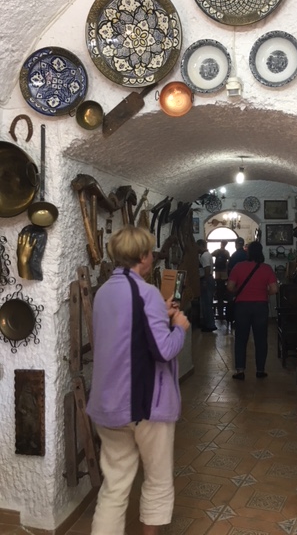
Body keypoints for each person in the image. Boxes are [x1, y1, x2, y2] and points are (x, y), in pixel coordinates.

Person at [87, 225, 190, 535]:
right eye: (150, 252)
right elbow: (163, 350)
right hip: (145, 405)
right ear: (143, 256)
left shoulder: (102, 292)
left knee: (114, 485)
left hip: (107, 404)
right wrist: (180, 327)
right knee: (158, 480)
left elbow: (125, 332)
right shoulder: (147, 293)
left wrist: (160, 312)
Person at [227, 241, 278, 380]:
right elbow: (274, 289)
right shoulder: (266, 268)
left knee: (240, 339)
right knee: (261, 339)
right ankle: (260, 370)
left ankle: (240, 370)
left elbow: (230, 287)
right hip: (260, 307)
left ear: (248, 252)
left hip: (242, 307)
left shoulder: (238, 267)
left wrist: (240, 291)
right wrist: (263, 292)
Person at [196, 238, 216, 332]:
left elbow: (207, 269)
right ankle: (207, 323)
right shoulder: (206, 255)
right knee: (206, 302)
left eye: (197, 246)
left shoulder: (204, 256)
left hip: (206, 279)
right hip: (207, 279)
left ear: (201, 246)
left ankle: (210, 325)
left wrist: (205, 281)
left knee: (206, 303)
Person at [212, 240, 230, 320]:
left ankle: (218, 295)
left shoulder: (217, 251)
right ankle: (222, 295)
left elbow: (211, 254)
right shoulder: (226, 252)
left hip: (218, 271)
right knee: (222, 289)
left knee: (219, 288)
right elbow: (229, 260)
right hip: (223, 271)